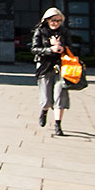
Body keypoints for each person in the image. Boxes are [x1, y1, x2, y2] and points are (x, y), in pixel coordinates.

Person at [32, 8, 72, 136]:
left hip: (62, 66)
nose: (56, 23)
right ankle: (44, 111)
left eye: (59, 21)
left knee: (60, 95)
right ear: (47, 20)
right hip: (44, 66)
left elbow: (71, 48)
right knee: (47, 99)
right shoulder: (41, 31)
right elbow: (34, 49)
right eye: (54, 20)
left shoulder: (64, 32)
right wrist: (50, 49)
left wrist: (61, 47)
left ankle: (57, 125)